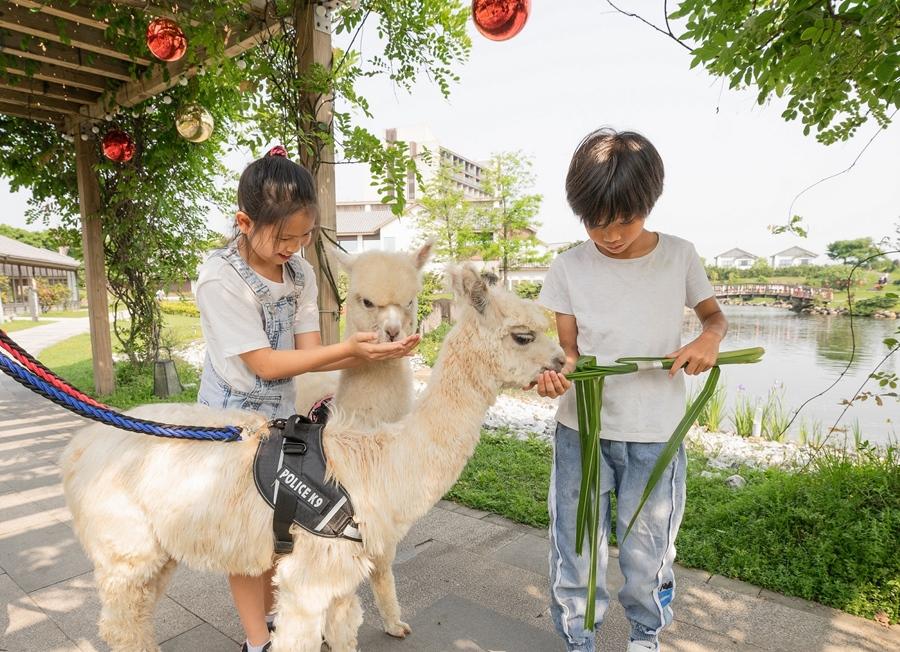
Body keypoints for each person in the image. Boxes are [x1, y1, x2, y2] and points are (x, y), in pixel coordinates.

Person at [195, 144, 419, 652]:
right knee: (244, 536)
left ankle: (279, 620)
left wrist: (371, 356)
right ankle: (258, 640)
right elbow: (265, 364)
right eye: (283, 237)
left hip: (284, 419)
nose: (293, 248)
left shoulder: (298, 273)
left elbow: (310, 355)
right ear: (245, 221)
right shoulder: (220, 278)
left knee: (282, 528)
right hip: (232, 418)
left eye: (303, 236)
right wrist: (349, 351)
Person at [532, 128, 728, 652]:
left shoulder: (680, 256)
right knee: (575, 547)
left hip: (655, 434)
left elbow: (714, 318)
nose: (611, 234)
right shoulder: (569, 266)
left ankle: (645, 637)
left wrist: (706, 340)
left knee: (648, 551)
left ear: (649, 202)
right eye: (596, 222)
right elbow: (569, 353)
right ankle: (579, 639)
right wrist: (556, 376)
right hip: (582, 431)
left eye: (625, 219)